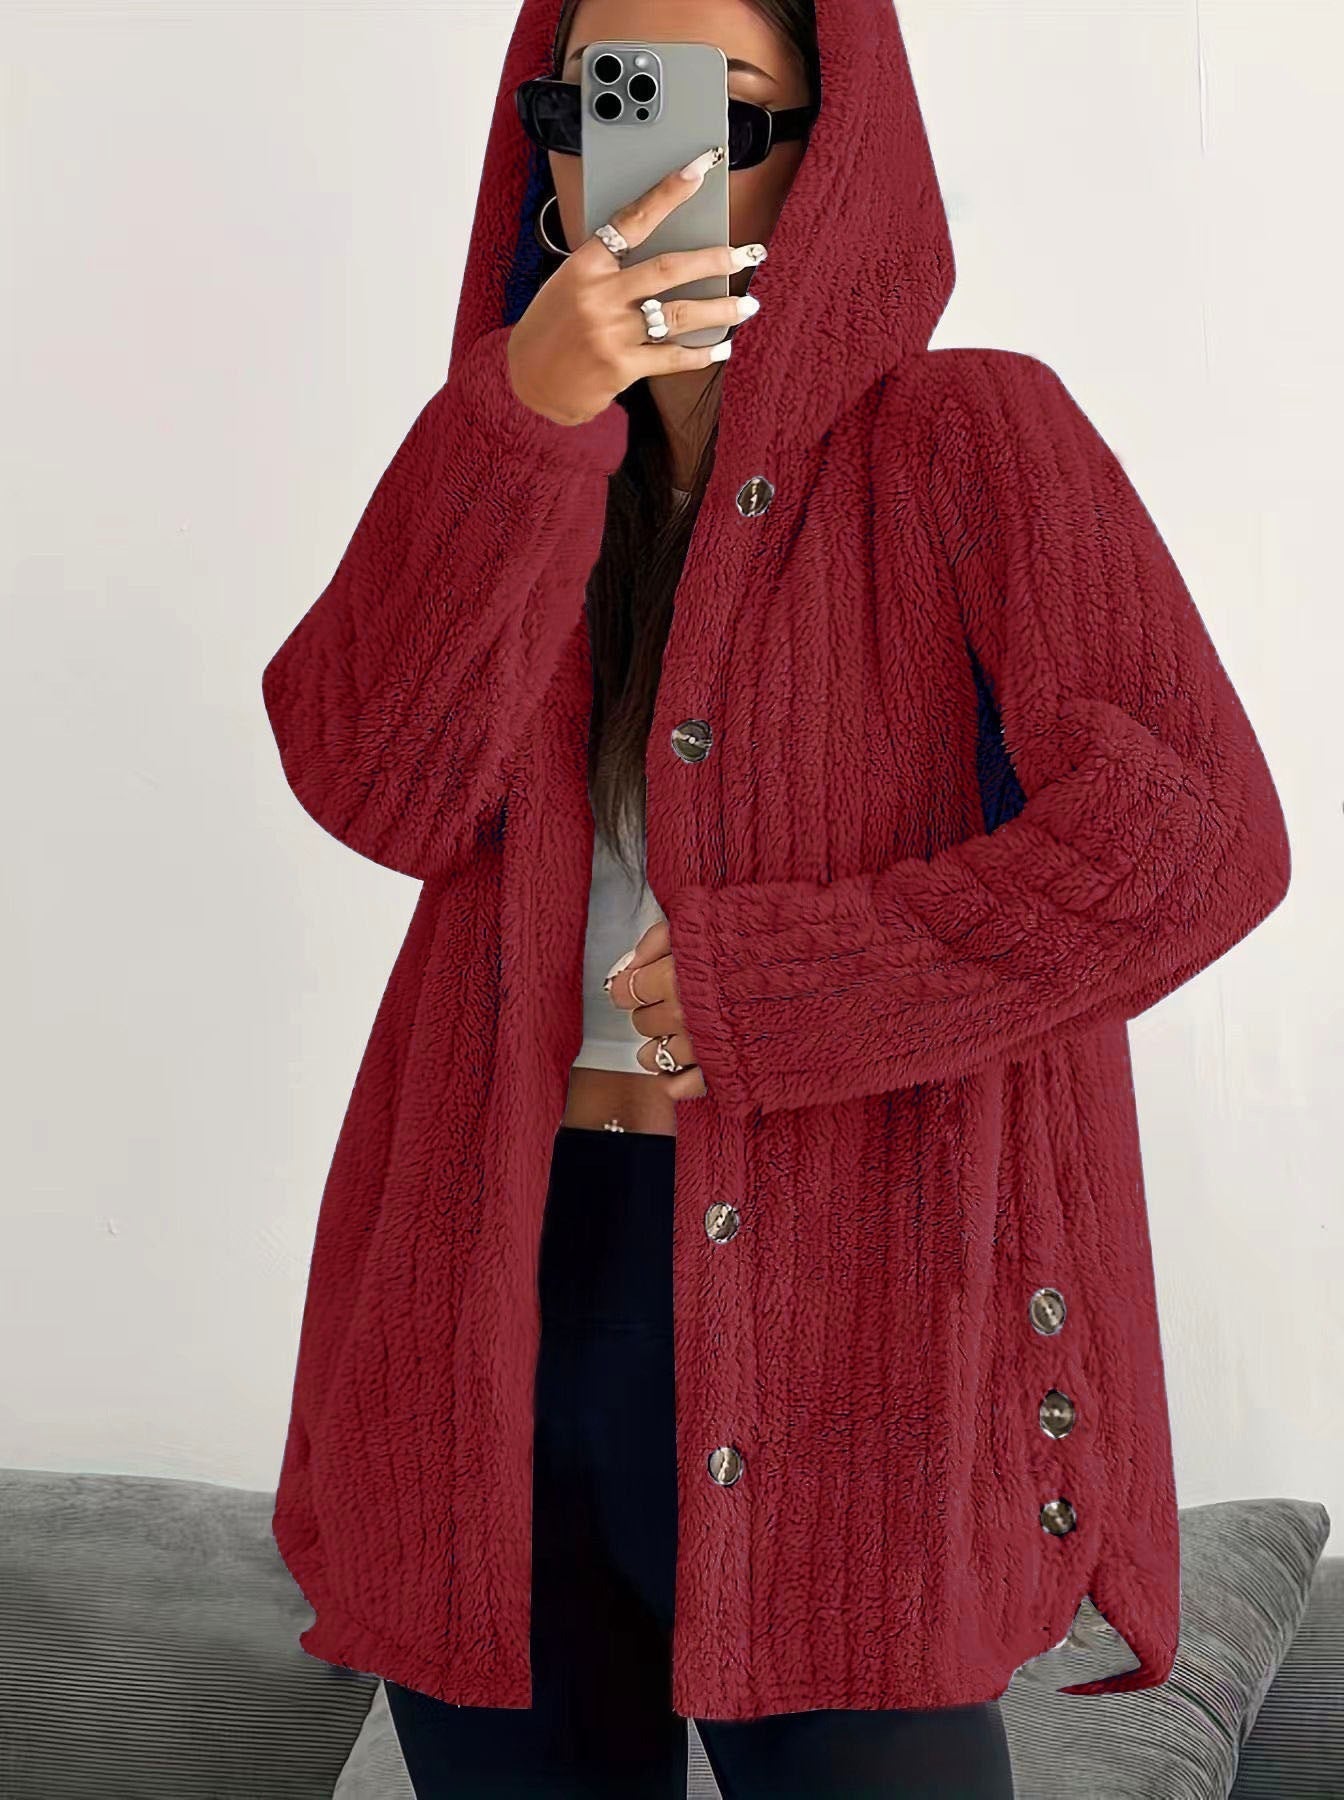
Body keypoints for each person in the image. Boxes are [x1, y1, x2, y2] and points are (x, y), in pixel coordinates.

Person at [260, 0, 1291, 1795]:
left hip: (854, 1341)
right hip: (480, 1325)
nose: (644, 160)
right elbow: (371, 784)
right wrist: (526, 416)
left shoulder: (973, 439)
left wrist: (792, 987)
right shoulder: (508, 458)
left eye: (714, 114)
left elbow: (1197, 839)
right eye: (596, 103)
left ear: (838, 158)